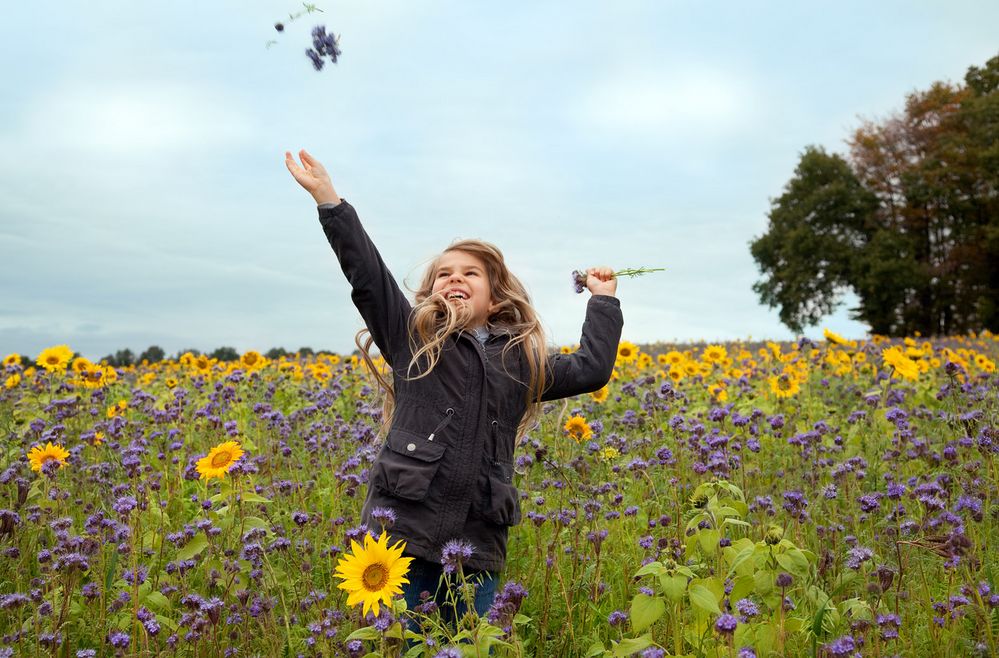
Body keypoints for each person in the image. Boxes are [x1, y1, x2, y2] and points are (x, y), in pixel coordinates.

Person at [284, 149, 623, 620]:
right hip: (398, 538)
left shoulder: (520, 360)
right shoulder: (412, 338)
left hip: (476, 549)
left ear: (495, 295)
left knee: (466, 645)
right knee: (391, 645)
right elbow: (367, 275)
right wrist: (329, 200)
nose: (454, 279)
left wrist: (603, 301)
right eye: (444, 274)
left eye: (469, 274)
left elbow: (592, 368)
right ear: (430, 291)